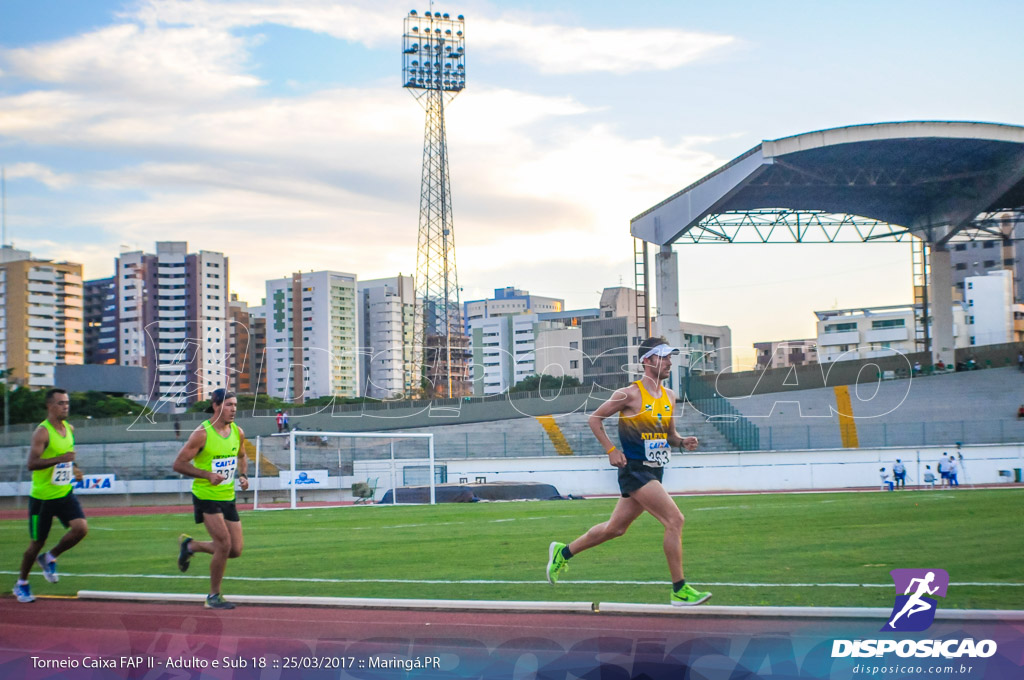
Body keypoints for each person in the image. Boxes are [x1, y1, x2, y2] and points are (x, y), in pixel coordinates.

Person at [545, 336, 710, 606]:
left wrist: (682, 442)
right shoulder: (629, 394)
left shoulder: (670, 396)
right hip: (634, 470)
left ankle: (563, 552)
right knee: (674, 520)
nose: (669, 362)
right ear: (647, 361)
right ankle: (679, 590)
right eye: (664, 356)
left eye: (670, 357)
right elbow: (595, 418)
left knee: (615, 529)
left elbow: (669, 435)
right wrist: (611, 450)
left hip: (656, 470)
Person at [173, 388, 249, 610]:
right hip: (206, 496)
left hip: (228, 496)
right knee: (223, 544)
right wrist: (207, 475)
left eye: (235, 405)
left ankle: (191, 546)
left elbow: (242, 456)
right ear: (215, 406)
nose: (233, 409)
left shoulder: (238, 432)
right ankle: (213, 596)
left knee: (235, 550)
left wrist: (243, 475)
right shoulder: (202, 434)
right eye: (228, 405)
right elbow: (178, 464)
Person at [13, 388, 88, 603]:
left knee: (81, 528)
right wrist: (60, 459)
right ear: (49, 406)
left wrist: (75, 469)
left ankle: (49, 557)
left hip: (63, 492)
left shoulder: (70, 429)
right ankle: (22, 584)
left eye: (67, 402)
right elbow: (32, 464)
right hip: (42, 498)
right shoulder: (42, 432)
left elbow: (69, 457)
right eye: (60, 403)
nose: (65, 406)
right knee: (36, 543)